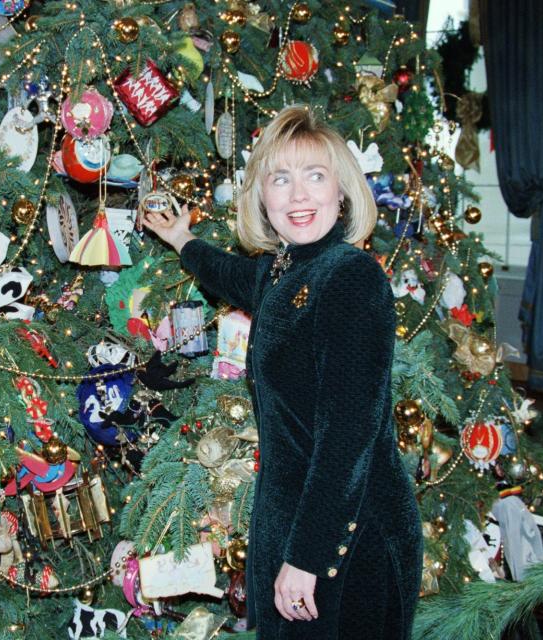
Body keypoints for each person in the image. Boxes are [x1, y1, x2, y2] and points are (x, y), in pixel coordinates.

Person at [142, 105, 423, 639]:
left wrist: (307, 557)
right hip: (294, 524)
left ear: (341, 192)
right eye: (281, 178)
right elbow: (234, 274)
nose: (298, 195)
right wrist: (183, 240)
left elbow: (348, 434)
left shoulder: (349, 277)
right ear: (261, 195)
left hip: (347, 538)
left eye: (315, 176)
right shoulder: (286, 269)